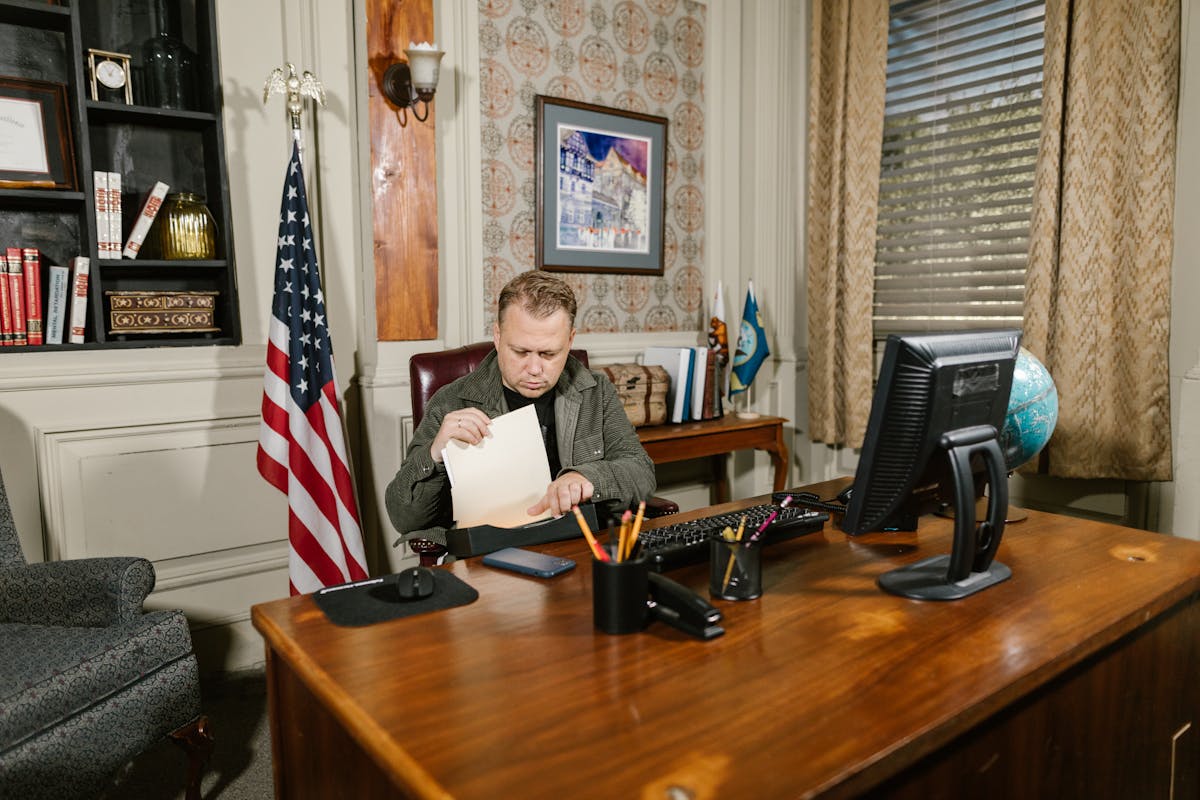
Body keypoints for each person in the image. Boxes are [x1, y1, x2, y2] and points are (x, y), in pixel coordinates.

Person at [386, 271, 656, 546]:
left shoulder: (595, 391)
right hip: (491, 554)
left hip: (582, 543)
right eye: (521, 352)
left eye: (549, 354)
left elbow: (641, 473)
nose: (535, 369)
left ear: (570, 340)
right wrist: (435, 453)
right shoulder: (452, 400)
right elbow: (403, 517)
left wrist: (585, 479)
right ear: (497, 335)